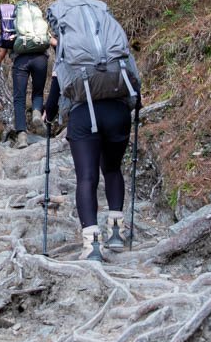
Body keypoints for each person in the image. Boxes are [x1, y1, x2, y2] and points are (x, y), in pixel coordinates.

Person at [43, 66, 141, 260]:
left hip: (83, 114)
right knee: (113, 169)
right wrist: (136, 103)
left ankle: (92, 245)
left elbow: (57, 80)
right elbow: (132, 73)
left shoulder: (69, 39)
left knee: (87, 178)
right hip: (117, 112)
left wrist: (50, 111)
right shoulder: (111, 36)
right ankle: (116, 232)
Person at [0, 42, 48, 149]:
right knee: (38, 92)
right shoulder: (39, 24)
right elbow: (50, 40)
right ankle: (36, 114)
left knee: (19, 98)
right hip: (40, 59)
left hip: (21, 60)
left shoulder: (12, 24)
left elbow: (4, 49)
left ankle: (22, 136)